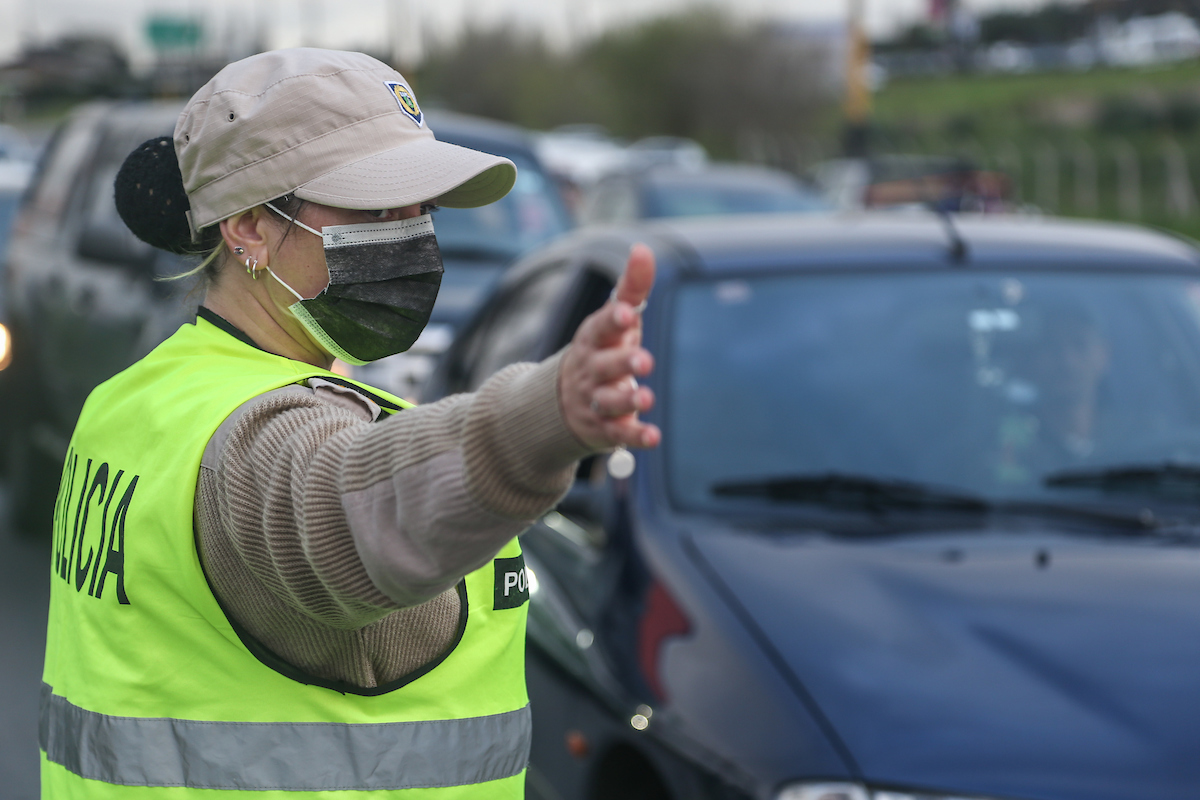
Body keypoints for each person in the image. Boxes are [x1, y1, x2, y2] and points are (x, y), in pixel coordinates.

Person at [39, 48, 659, 799]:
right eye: (373, 209)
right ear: (248, 228)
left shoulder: (138, 397)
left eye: (422, 209)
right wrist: (544, 417)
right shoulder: (252, 437)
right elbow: (342, 511)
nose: (412, 235)